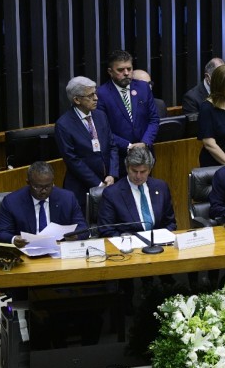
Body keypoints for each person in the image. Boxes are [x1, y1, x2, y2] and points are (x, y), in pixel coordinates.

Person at [54, 76, 118, 212]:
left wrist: (112, 174)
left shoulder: (101, 116)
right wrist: (98, 184)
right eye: (91, 95)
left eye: (95, 93)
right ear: (77, 100)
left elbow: (112, 146)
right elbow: (72, 160)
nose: (96, 98)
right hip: (81, 190)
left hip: (109, 183)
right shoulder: (63, 125)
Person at [0, 161, 87, 246]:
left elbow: (83, 229)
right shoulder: (12, 201)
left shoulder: (67, 198)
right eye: (38, 187)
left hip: (59, 253)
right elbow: (1, 233)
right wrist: (14, 239)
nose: (43, 191)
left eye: (48, 186)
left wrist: (76, 236)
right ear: (28, 183)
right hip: (27, 253)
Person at [96, 50, 160, 165]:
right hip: (119, 157)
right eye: (120, 70)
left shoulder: (143, 87)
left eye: (129, 69)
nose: (126, 73)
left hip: (145, 153)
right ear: (110, 72)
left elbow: (153, 119)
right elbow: (103, 129)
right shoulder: (101, 94)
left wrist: (145, 143)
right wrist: (128, 146)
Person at [98, 146, 176, 236]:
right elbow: (106, 230)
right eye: (134, 171)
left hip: (160, 245)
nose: (138, 176)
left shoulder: (161, 187)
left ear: (150, 169)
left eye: (143, 172)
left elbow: (170, 223)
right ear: (127, 168)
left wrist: (162, 238)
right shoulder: (112, 194)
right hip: (128, 246)